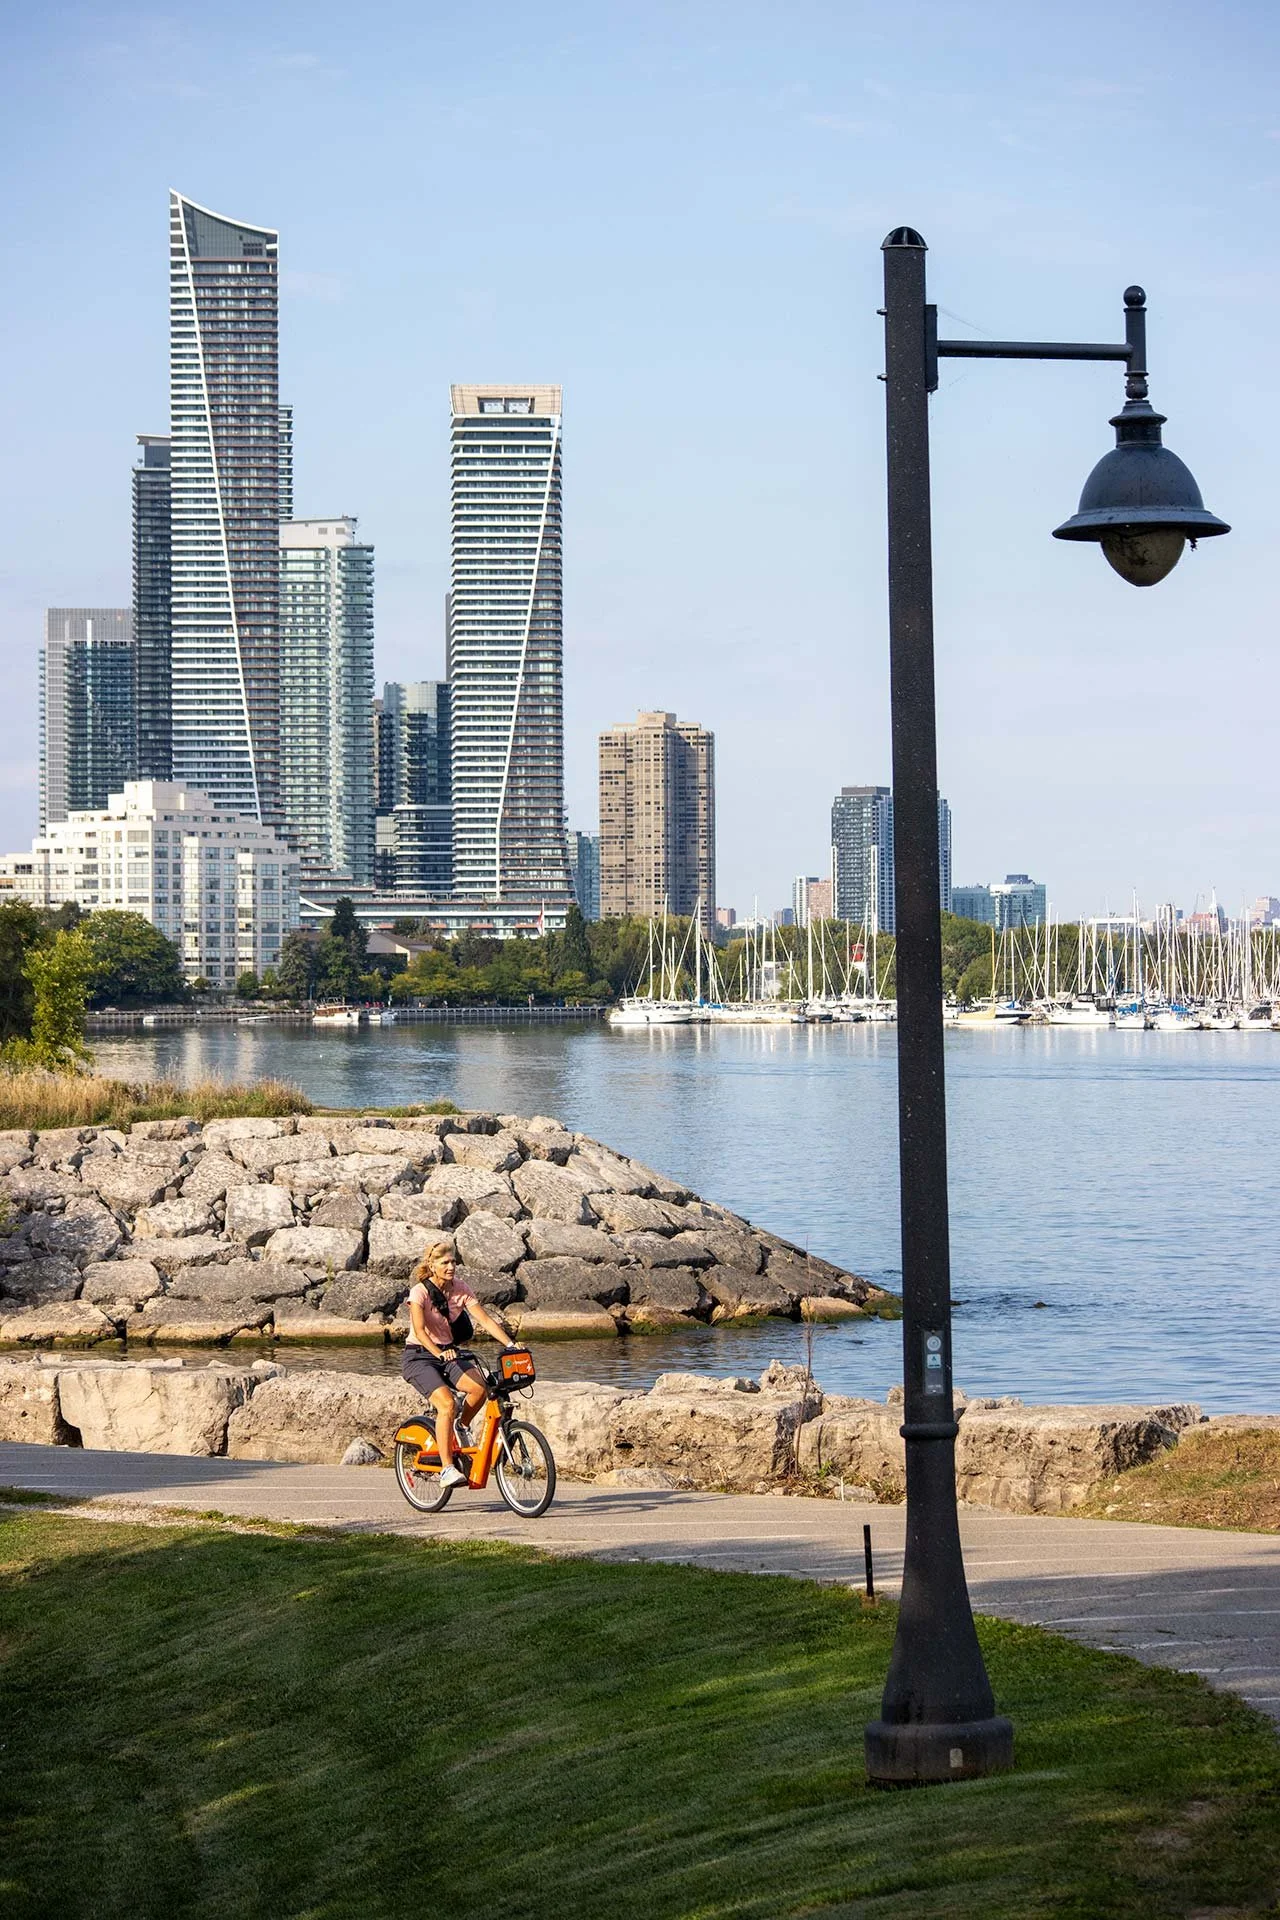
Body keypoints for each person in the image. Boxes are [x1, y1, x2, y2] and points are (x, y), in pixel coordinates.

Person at [402, 1240, 517, 1491]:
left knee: (479, 1389)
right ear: (432, 1266)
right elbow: (420, 1332)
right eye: (445, 1262)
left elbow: (484, 1319)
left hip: (449, 1353)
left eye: (453, 1261)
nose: (451, 1266)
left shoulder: (461, 1288)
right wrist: (439, 1353)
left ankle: (461, 1426)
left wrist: (511, 1345)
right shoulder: (419, 1292)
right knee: (447, 1404)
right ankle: (446, 1469)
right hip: (419, 1355)